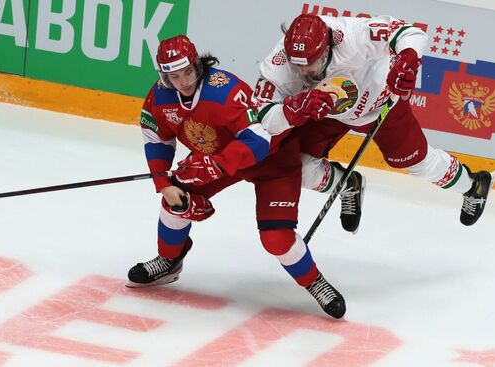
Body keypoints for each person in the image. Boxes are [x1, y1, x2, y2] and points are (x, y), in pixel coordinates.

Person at [126, 35, 346, 319]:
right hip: (218, 159)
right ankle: (169, 261)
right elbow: (156, 139)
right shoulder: (160, 96)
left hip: (273, 159)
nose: (182, 82)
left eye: (188, 72)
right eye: (174, 76)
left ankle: (314, 282)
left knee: (276, 239)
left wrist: (217, 165)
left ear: (198, 64)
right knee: (175, 199)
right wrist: (162, 182)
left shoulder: (225, 91)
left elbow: (259, 140)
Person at [253, 13, 495, 227]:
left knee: (417, 163)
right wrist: (293, 110)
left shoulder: (352, 35)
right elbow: (264, 118)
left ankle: (473, 185)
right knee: (300, 168)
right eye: (298, 69)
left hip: (380, 103)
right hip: (323, 110)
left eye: (312, 65)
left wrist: (408, 60)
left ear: (327, 48)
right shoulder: (278, 65)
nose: (304, 73)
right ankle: (349, 184)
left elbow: (409, 32)